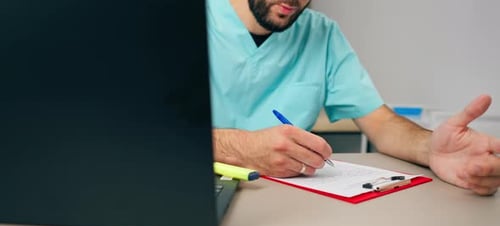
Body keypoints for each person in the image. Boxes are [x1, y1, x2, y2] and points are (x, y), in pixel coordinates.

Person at [207, 0, 500, 196]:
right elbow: (159, 132)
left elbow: (381, 123)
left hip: (286, 203)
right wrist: (240, 146)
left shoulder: (321, 33)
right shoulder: (181, 15)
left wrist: (429, 149)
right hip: (194, 190)